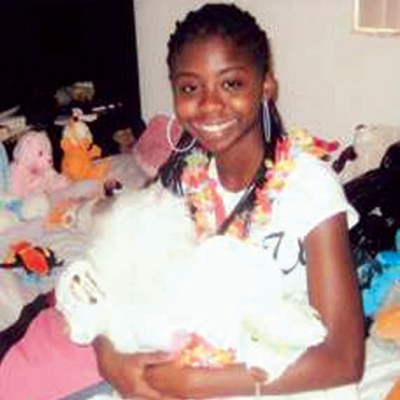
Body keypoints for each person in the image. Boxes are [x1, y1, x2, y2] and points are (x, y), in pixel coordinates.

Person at [93, 3, 365, 400]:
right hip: (185, 360)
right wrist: (109, 357)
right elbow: (110, 276)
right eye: (190, 88)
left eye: (231, 83)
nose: (209, 105)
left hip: (273, 381)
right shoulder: (180, 180)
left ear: (266, 86)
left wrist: (195, 384)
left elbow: (344, 359)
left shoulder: (310, 188)